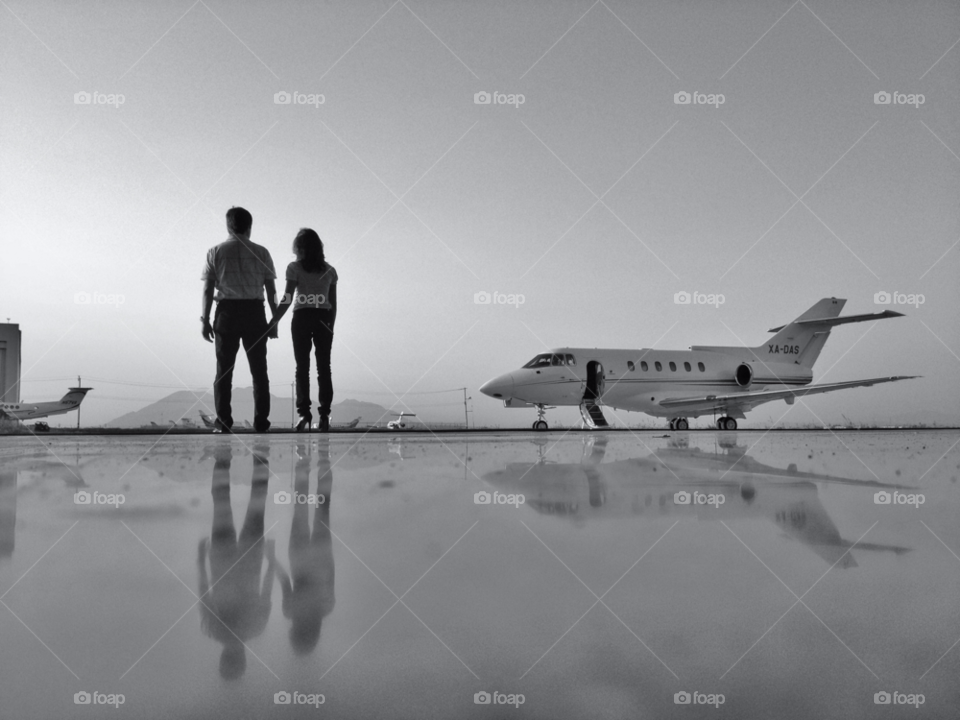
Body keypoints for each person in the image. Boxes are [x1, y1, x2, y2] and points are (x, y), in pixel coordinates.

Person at [197, 443, 277, 680]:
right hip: (221, 558)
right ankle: (224, 459)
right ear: (224, 658)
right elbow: (204, 592)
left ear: (243, 658)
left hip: (250, 560)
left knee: (257, 502)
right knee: (221, 500)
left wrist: (271, 561)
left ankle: (260, 456)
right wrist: (200, 559)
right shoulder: (213, 630)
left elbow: (266, 589)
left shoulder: (255, 628)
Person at [201, 207, 278, 433]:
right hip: (255, 312)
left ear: (228, 226)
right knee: (259, 371)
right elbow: (271, 289)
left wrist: (204, 320)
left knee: (223, 371)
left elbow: (207, 289)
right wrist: (274, 320)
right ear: (249, 227)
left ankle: (223, 423)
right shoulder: (262, 252)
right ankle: (261, 423)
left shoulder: (215, 252)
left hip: (227, 313)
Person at [269, 228, 337, 432]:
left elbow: (288, 298)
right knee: (324, 367)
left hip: (302, 317)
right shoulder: (330, 270)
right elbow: (333, 304)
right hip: (324, 318)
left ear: (299, 248)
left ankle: (303, 414)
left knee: (302, 368)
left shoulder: (294, 268)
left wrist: (274, 320)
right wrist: (331, 325)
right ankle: (324, 415)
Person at [276, 440, 335, 655]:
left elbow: (330, 574)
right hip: (298, 555)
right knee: (300, 505)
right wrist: (270, 557)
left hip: (321, 555)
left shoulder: (327, 607)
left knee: (323, 506)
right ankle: (304, 461)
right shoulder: (290, 611)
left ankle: (323, 462)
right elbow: (283, 579)